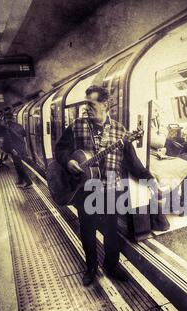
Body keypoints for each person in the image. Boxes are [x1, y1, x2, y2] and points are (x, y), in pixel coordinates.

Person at [55, 85, 157, 287]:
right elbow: (60, 149)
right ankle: (91, 268)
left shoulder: (120, 131)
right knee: (88, 230)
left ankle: (111, 265)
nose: (87, 109)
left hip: (112, 189)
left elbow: (133, 161)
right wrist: (68, 161)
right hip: (85, 189)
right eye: (86, 105)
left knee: (111, 230)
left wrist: (150, 179)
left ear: (105, 104)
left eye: (91, 105)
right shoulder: (77, 126)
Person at [1, 109, 33, 188]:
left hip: (14, 150)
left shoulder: (7, 128)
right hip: (21, 148)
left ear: (5, 119)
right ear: (12, 118)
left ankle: (28, 182)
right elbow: (24, 135)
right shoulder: (19, 125)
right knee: (18, 165)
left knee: (19, 166)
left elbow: (8, 140)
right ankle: (20, 180)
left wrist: (12, 149)